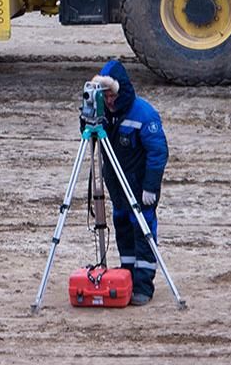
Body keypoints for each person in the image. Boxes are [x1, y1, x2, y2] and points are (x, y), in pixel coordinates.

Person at [89, 59, 168, 306]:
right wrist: (88, 118)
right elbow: (91, 141)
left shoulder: (143, 114)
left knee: (142, 232)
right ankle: (127, 277)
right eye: (104, 96)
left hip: (139, 188)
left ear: (120, 90)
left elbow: (158, 152)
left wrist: (150, 187)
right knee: (123, 229)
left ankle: (143, 286)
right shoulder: (105, 115)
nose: (109, 101)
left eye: (111, 95)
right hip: (118, 189)